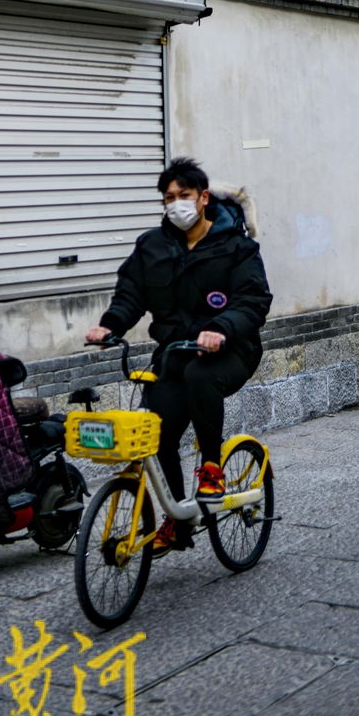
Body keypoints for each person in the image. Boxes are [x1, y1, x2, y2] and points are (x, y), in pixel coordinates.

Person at [85, 156, 272, 556]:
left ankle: (211, 469)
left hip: (232, 350)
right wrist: (111, 325)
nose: (176, 204)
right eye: (168, 198)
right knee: (158, 432)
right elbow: (131, 292)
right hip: (174, 353)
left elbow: (253, 299)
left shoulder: (237, 247)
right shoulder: (151, 246)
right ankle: (178, 520)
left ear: (203, 198)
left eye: (183, 195)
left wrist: (221, 329)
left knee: (201, 379)